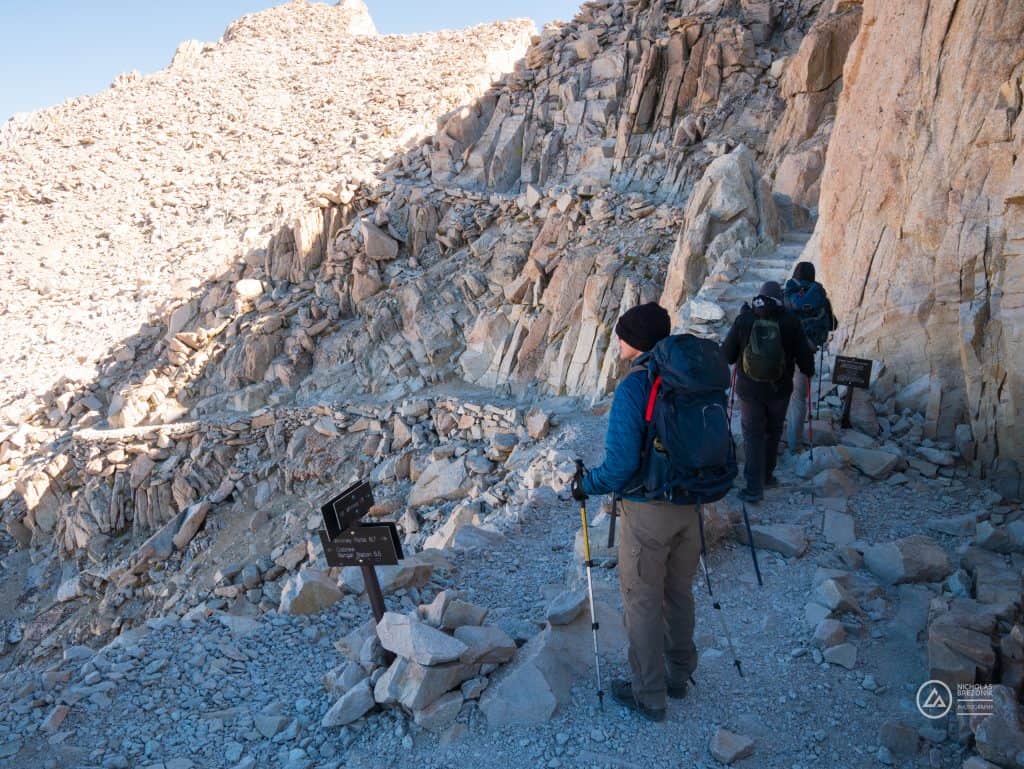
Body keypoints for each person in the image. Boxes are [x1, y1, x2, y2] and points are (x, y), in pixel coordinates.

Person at [571, 301, 700, 723]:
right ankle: (679, 675)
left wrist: (585, 485)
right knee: (679, 593)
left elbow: (621, 465)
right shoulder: (690, 376)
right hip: (691, 503)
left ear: (638, 341)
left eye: (623, 334)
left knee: (643, 601)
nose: (618, 340)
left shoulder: (635, 386)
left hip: (648, 510)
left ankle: (650, 695)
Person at [722, 281, 814, 503]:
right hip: (779, 389)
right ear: (779, 298)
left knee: (752, 434)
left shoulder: (745, 319)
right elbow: (804, 357)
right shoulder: (791, 321)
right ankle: (768, 476)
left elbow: (726, 355)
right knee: (772, 431)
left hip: (749, 389)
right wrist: (808, 371)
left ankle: (753, 487)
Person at [783, 262, 838, 452]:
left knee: (777, 396)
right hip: (806, 352)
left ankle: (771, 440)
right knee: (798, 400)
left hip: (783, 353)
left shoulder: (787, 293)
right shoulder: (819, 295)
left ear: (795, 274)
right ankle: (794, 445)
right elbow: (833, 324)